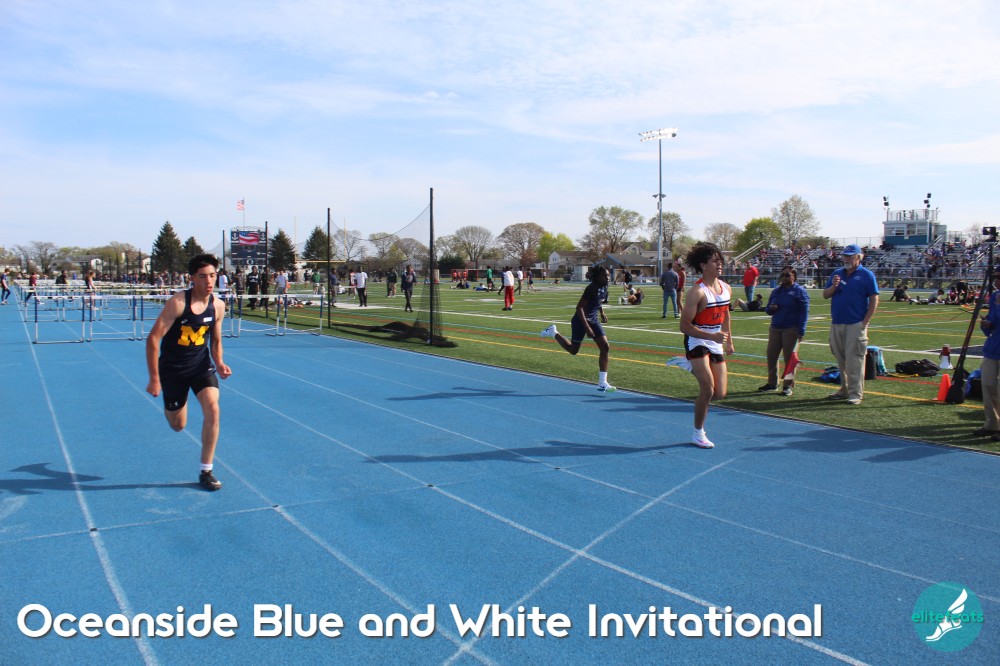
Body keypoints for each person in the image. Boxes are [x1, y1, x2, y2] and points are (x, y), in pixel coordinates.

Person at [145, 254, 232, 491]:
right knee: (178, 425)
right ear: (192, 278)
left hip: (200, 366)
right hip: (173, 370)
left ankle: (206, 470)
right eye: (202, 276)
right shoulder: (178, 303)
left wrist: (219, 362)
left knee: (213, 408)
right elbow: (153, 339)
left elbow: (215, 340)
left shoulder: (218, 306)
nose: (209, 281)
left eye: (212, 275)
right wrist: (154, 378)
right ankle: (172, 406)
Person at [679, 242, 734, 449]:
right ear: (703, 265)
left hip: (716, 340)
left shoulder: (726, 288)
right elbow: (684, 326)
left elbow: (725, 315)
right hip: (697, 339)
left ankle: (691, 365)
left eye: (720, 261)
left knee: (720, 393)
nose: (720, 265)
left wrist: (729, 340)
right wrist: (711, 336)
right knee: (708, 390)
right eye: (715, 261)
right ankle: (698, 433)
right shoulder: (697, 292)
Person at [540, 265, 616, 393]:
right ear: (597, 277)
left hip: (593, 320)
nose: (607, 278)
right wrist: (587, 327)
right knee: (573, 350)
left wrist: (602, 313)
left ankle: (602, 383)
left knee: (605, 347)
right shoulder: (591, 288)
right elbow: (579, 308)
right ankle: (553, 332)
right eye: (604, 275)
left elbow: (598, 301)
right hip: (580, 321)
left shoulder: (604, 287)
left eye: (608, 275)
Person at [822, 244, 879, 405]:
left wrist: (865, 321)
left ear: (858, 257)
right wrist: (834, 286)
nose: (846, 259)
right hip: (837, 322)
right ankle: (844, 388)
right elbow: (825, 294)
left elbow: (874, 298)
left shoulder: (866, 275)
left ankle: (855, 393)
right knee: (840, 359)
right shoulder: (837, 273)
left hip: (855, 323)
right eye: (845, 256)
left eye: (850, 256)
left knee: (855, 360)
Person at [759, 267, 810, 396]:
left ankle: (788, 385)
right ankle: (772, 383)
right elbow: (768, 310)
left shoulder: (799, 291)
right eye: (782, 275)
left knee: (789, 358)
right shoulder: (776, 291)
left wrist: (802, 329)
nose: (784, 278)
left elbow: (804, 312)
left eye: (787, 275)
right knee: (771, 355)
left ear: (794, 276)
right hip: (775, 327)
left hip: (791, 328)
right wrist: (771, 308)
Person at [975, 270, 1000, 439]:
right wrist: (986, 324)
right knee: (988, 385)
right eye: (996, 277)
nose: (996, 281)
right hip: (992, 348)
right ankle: (991, 423)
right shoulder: (995, 296)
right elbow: (992, 320)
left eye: (999, 278)